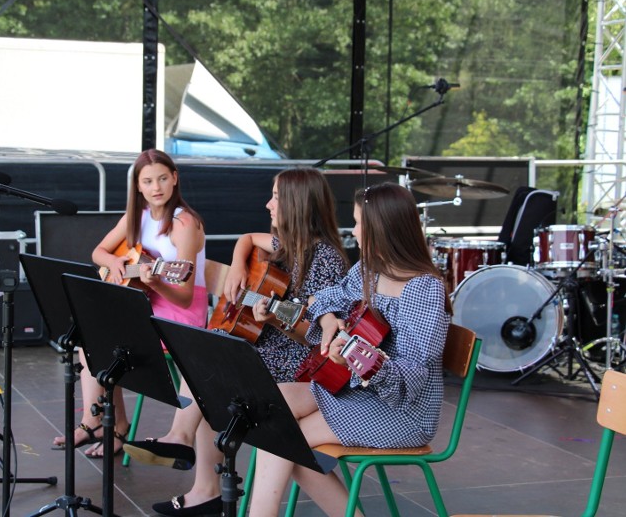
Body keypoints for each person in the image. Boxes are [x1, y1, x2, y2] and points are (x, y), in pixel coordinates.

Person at [123, 167, 351, 516]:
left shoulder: (325, 258)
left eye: (276, 197)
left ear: (297, 204)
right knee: (209, 351)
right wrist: (239, 264)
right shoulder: (288, 245)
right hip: (270, 346)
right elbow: (248, 237)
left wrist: (274, 317)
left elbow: (319, 336)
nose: (268, 204)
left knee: (211, 361)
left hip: (297, 364)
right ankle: (191, 461)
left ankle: (189, 457)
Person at [247, 182, 452, 517]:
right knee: (273, 404)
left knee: (285, 438)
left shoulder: (423, 290)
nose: (353, 230)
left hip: (404, 412)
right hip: (358, 392)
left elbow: (413, 377)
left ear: (381, 228)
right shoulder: (368, 271)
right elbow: (324, 299)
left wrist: (355, 357)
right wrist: (328, 320)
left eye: (358, 222)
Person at [52, 149, 208, 458]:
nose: (156, 187)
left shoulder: (185, 224)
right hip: (145, 303)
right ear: (137, 186)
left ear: (175, 179)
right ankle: (104, 423)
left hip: (179, 312)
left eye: (163, 178)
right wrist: (116, 261)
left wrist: (157, 282)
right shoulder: (136, 218)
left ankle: (102, 425)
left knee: (104, 339)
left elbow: (186, 295)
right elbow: (98, 253)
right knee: (90, 336)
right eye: (148, 181)